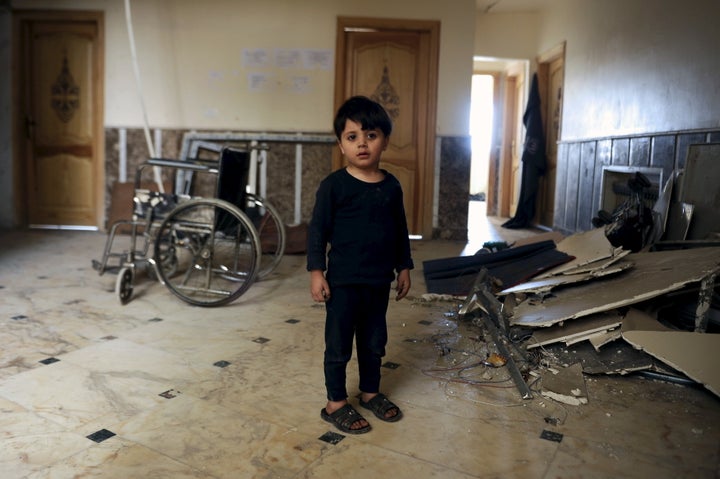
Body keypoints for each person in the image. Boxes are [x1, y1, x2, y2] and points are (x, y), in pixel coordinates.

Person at [307, 96, 414, 434]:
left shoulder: (391, 186)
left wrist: (405, 266)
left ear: (384, 139)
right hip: (342, 282)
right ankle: (335, 402)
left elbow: (399, 230)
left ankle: (370, 393)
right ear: (341, 144)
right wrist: (316, 272)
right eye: (352, 137)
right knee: (338, 345)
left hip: (378, 281)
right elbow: (317, 232)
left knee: (373, 342)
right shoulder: (334, 187)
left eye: (370, 135)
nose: (362, 143)